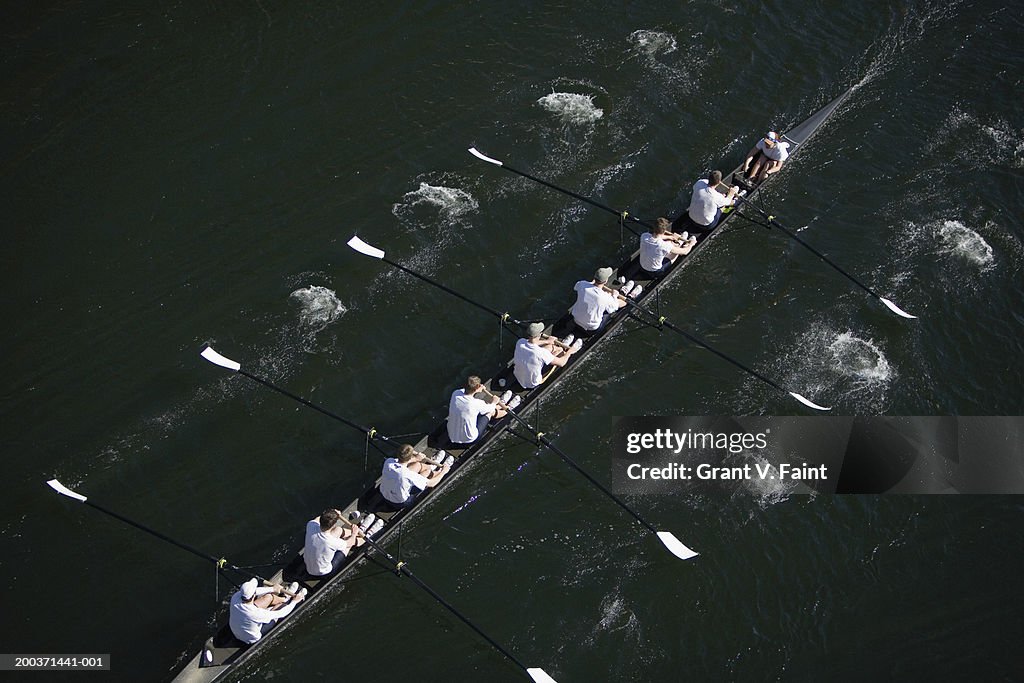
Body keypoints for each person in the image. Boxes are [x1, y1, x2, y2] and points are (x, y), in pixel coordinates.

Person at [229, 577, 306, 645]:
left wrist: (273, 589)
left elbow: (256, 591)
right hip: (251, 639)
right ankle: (287, 601)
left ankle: (285, 598)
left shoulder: (236, 597)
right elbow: (282, 613)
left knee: (268, 597)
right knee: (280, 607)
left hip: (237, 629)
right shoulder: (255, 614)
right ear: (253, 596)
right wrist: (295, 601)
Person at [513, 322, 582, 390]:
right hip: (531, 383)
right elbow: (562, 363)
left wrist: (548, 341)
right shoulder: (541, 353)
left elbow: (533, 342)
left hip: (517, 375)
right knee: (561, 353)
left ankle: (562, 346)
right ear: (539, 335)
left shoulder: (520, 342)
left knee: (550, 346)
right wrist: (570, 351)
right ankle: (564, 349)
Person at [380, 444, 451, 507]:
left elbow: (403, 461)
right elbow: (431, 483)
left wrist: (416, 459)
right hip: (400, 502)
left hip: (384, 493)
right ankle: (440, 470)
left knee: (417, 465)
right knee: (427, 473)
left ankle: (433, 465)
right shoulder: (408, 475)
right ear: (411, 456)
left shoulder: (389, 462)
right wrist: (444, 472)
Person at [447, 376, 508, 445]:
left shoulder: (456, 393)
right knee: (490, 411)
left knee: (485, 406)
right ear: (477, 387)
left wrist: (479, 388)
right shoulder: (476, 403)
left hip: (452, 435)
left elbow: (468, 390)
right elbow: (490, 408)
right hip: (470, 439)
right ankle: (507, 409)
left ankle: (499, 406)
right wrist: (495, 401)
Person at [303, 508, 364, 577]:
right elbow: (350, 542)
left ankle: (360, 532)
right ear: (333, 525)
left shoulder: (311, 525)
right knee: (347, 545)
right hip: (324, 572)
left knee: (338, 530)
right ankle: (364, 537)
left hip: (308, 565)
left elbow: (318, 518)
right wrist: (354, 533)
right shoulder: (332, 542)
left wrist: (331, 514)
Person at [570, 267, 627, 336]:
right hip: (591, 329)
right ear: (605, 281)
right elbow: (615, 307)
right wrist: (615, 295)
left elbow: (576, 287)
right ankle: (629, 296)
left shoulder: (582, 284)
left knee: (605, 302)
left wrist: (591, 283)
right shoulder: (605, 297)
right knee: (615, 306)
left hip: (575, 321)